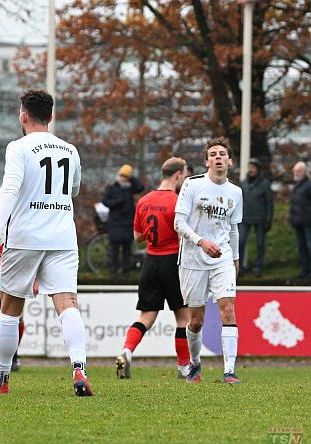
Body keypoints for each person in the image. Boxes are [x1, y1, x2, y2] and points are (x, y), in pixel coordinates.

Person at [0, 89, 91, 396]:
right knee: (67, 304)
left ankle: (1, 380)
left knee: (9, 307)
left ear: (23, 116)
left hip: (27, 235)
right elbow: (75, 189)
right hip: (62, 237)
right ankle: (79, 369)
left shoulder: (19, 147)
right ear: (51, 116)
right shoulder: (69, 149)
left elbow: (10, 190)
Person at [174, 137, 243, 384]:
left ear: (230, 161)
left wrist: (234, 259)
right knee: (196, 319)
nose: (217, 157)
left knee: (228, 309)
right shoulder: (192, 185)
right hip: (193, 259)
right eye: (213, 154)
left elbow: (233, 230)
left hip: (222, 259)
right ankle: (194, 363)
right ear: (206, 161)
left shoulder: (236, 192)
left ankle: (229, 370)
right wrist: (202, 242)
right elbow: (178, 224)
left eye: (222, 154)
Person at [116, 157, 191, 380]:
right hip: (172, 262)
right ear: (177, 175)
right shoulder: (177, 201)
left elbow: (138, 237)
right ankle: (184, 367)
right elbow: (183, 236)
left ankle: (127, 351)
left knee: (146, 315)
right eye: (185, 174)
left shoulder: (144, 201)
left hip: (150, 262)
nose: (185, 179)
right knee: (183, 318)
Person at [0, 220, 25, 371]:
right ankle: (0, 358)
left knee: (18, 318)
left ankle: (13, 355)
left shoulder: (15, 219)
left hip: (13, 277)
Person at [102, 164, 145, 274]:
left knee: (127, 248)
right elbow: (105, 201)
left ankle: (126, 271)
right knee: (114, 248)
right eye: (121, 175)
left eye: (125, 176)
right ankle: (113, 271)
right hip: (115, 223)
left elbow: (140, 187)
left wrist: (131, 177)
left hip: (127, 222)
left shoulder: (130, 187)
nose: (123, 178)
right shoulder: (112, 187)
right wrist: (116, 202)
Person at [239, 158, 273, 276]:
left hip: (260, 219)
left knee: (260, 243)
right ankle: (240, 267)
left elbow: (269, 203)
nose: (250, 169)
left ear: (258, 169)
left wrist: (268, 219)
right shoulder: (243, 183)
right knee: (241, 241)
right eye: (249, 167)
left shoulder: (265, 184)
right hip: (244, 218)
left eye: (253, 167)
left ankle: (258, 267)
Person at [289, 161, 311, 281]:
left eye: (299, 171)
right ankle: (305, 271)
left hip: (308, 222)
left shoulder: (308, 185)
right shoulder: (296, 186)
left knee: (309, 246)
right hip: (298, 222)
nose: (296, 173)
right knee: (302, 247)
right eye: (295, 171)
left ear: (304, 172)